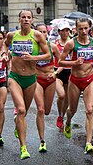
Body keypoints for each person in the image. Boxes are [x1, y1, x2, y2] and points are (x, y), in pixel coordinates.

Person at [5, 9, 50, 160]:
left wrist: (33, 58)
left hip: (30, 78)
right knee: (22, 110)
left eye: (28, 17)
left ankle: (18, 122)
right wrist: (6, 54)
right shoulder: (12, 35)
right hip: (15, 77)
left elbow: (48, 55)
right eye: (23, 17)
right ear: (19, 19)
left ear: (32, 20)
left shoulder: (37, 35)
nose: (26, 19)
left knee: (23, 113)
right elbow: (5, 46)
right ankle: (23, 148)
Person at [58, 18, 93, 154]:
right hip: (75, 80)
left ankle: (88, 143)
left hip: (90, 79)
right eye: (80, 28)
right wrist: (74, 63)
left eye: (86, 28)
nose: (83, 31)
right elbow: (60, 61)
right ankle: (68, 121)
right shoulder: (71, 44)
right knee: (73, 110)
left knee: (89, 110)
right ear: (76, 29)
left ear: (89, 28)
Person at [34, 23, 62, 152]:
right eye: (40, 32)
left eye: (44, 32)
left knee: (47, 111)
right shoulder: (32, 48)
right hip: (37, 80)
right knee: (40, 109)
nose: (42, 34)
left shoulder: (53, 47)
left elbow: (62, 63)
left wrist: (55, 73)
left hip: (50, 80)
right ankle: (42, 140)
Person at [54, 20, 71, 130]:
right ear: (59, 32)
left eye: (67, 30)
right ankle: (60, 114)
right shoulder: (55, 44)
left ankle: (62, 116)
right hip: (58, 72)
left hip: (70, 71)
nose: (65, 33)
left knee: (67, 99)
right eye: (63, 31)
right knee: (61, 95)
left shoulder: (73, 43)